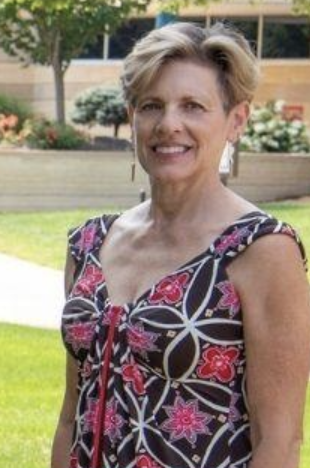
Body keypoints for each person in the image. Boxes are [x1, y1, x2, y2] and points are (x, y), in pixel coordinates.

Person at [52, 22, 310, 468]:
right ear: (133, 117)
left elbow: (279, 440)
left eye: (193, 106)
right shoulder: (89, 243)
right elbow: (71, 418)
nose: (169, 124)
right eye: (152, 106)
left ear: (235, 120)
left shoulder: (262, 250)